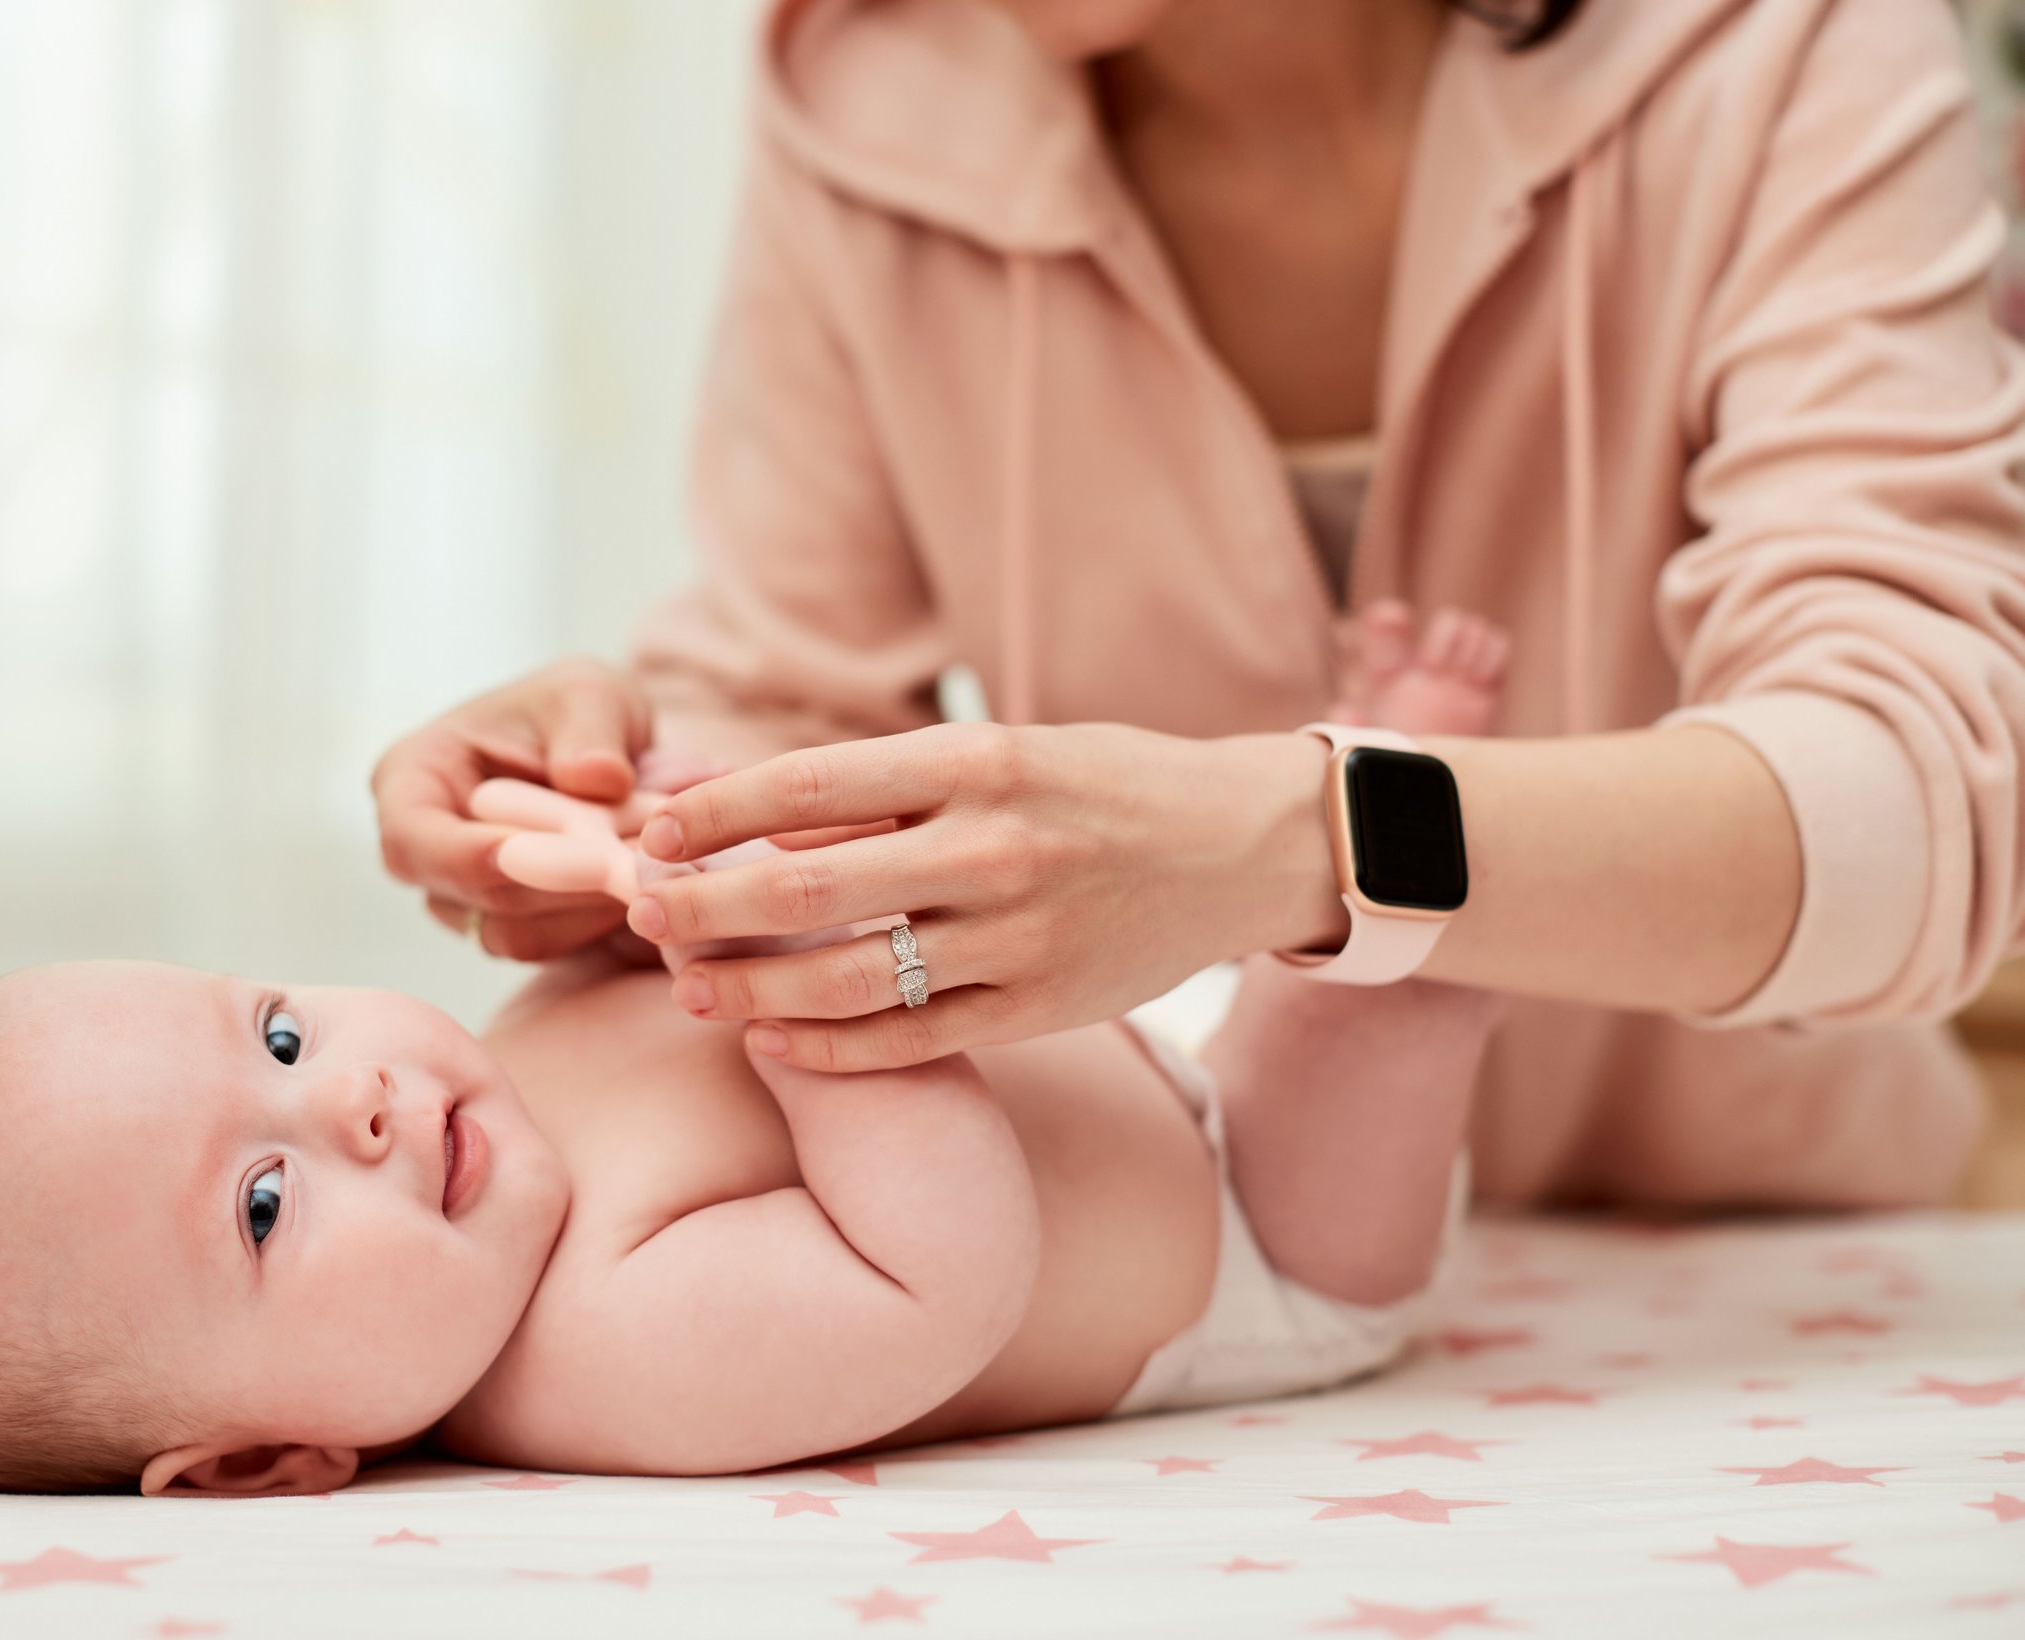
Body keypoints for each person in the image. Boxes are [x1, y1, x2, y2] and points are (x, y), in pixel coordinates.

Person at [373, 0, 2025, 1209]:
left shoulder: (1780, 48)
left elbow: (1927, 799)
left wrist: (1290, 845)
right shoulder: (872, 84)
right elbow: (795, 695)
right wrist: (647, 807)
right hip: (1227, 1290)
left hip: (1755, 1259)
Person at [0, 609, 1508, 1492]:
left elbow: (666, 938)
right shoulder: (589, 1352)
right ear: (263, 1461)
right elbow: (939, 1279)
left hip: (1144, 1052)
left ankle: (1342, 783)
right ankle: (1408, 785)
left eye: (279, 1035)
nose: (364, 1104)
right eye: (264, 1204)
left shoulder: (493, 1091)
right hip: (1261, 1243)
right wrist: (807, 994)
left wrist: (647, 824)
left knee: (1292, 929)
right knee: (1386, 992)